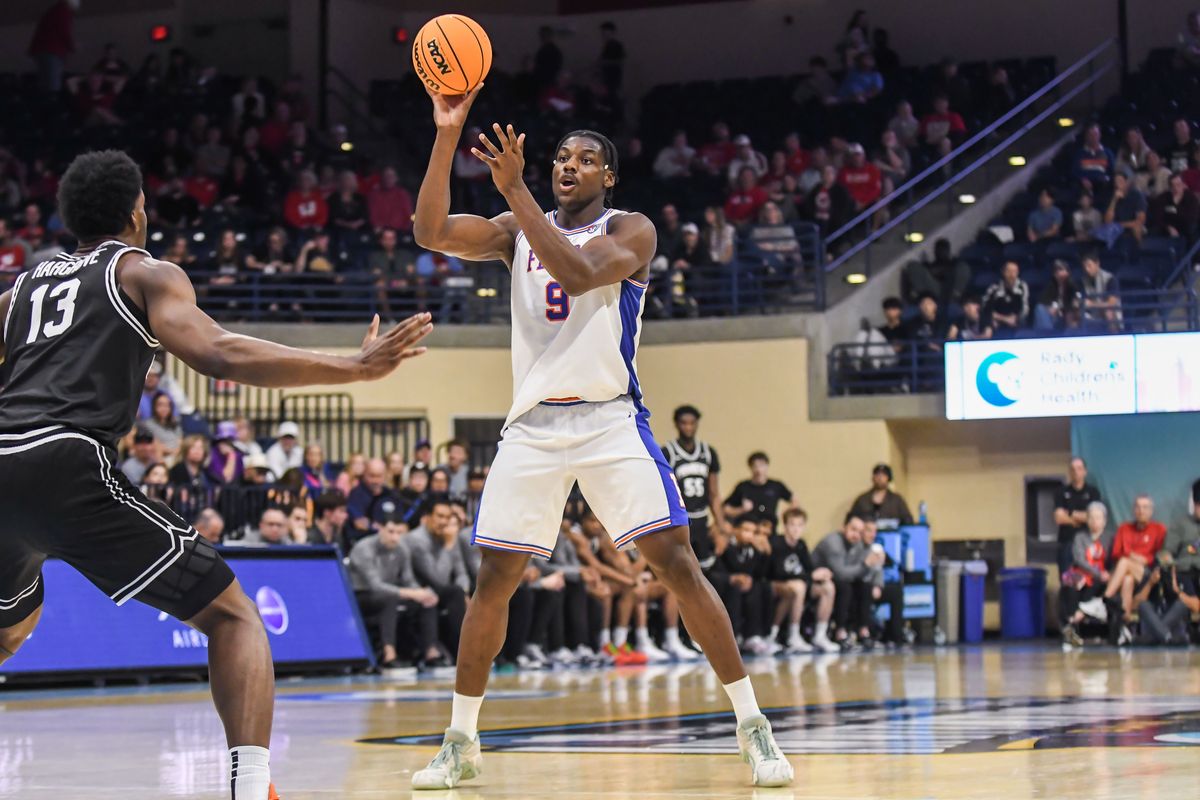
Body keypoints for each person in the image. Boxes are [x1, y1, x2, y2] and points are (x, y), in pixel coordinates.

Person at [0, 149, 431, 800]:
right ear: (138, 213)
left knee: (8, 630)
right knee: (234, 619)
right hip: (68, 458)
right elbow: (218, 352)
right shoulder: (143, 272)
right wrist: (352, 367)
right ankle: (251, 790)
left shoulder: (21, 290)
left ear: (68, 219)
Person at [410, 86, 791, 788]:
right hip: (532, 425)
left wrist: (518, 191)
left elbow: (579, 272)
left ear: (608, 177)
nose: (569, 166)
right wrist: (446, 132)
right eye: (561, 157)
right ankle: (460, 740)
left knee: (677, 563)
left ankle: (752, 725)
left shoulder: (633, 229)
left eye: (586, 160)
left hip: (609, 418)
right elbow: (429, 230)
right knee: (492, 580)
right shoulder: (514, 228)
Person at [348, 515, 443, 668]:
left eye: (399, 533)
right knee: (389, 599)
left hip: (390, 593)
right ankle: (389, 655)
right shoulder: (363, 548)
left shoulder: (402, 548)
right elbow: (375, 585)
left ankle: (431, 653)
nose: (395, 537)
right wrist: (413, 593)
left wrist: (421, 592)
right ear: (380, 529)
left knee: (427, 599)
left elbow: (408, 579)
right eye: (391, 532)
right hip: (361, 596)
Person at [662, 405, 731, 589]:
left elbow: (714, 494)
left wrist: (722, 527)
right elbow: (665, 491)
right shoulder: (669, 452)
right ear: (677, 424)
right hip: (681, 519)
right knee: (682, 573)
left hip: (702, 518)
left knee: (706, 574)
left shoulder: (708, 453)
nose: (688, 427)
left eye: (692, 423)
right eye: (684, 423)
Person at [1081, 495, 1167, 620]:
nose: (1141, 510)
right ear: (1133, 510)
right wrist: (1133, 556)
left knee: (1125, 562)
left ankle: (1103, 600)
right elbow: (1116, 553)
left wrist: (1145, 559)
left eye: (1145, 507)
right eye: (1138, 507)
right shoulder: (1124, 528)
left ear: (1151, 511)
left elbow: (1161, 556)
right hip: (1126, 573)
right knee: (1127, 578)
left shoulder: (1159, 529)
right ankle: (1125, 623)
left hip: (1148, 575)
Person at [406, 496, 470, 661]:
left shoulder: (445, 535)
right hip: (417, 590)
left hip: (441, 591)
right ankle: (462, 653)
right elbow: (437, 577)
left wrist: (465, 591)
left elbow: (461, 572)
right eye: (439, 516)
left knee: (464, 592)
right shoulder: (416, 540)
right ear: (427, 517)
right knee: (454, 593)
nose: (444, 522)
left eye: (447, 517)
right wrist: (449, 546)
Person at [769, 508, 838, 653]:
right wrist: (810, 576)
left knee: (828, 587)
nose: (796, 529)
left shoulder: (801, 545)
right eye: (792, 525)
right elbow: (780, 573)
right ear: (785, 526)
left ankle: (820, 635)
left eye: (800, 525)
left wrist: (821, 573)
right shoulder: (777, 543)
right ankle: (792, 635)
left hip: (799, 583)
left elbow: (808, 570)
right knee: (799, 586)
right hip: (776, 583)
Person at [813, 512, 884, 648]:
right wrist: (866, 564)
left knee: (864, 586)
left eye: (860, 531)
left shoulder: (857, 544)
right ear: (843, 527)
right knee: (845, 587)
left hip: (839, 579)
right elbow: (841, 573)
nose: (856, 534)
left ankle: (863, 632)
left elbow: (861, 572)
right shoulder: (833, 542)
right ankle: (839, 632)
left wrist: (876, 576)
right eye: (853, 529)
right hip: (816, 581)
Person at [1059, 501, 1113, 646]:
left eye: (1098, 517)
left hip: (1102, 578)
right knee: (1069, 588)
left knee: (1102, 584)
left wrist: (1104, 574)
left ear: (1104, 520)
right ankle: (1071, 629)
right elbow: (1079, 559)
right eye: (1091, 517)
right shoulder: (1080, 537)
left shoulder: (1110, 538)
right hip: (1082, 574)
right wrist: (1095, 573)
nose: (1094, 521)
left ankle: (1079, 614)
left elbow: (1114, 559)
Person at [29, 0, 77, 93]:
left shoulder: (55, 10)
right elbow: (64, 32)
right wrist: (72, 47)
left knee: (45, 84)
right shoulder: (63, 10)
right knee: (53, 85)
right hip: (50, 51)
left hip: (43, 50)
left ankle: (47, 104)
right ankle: (52, 105)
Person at [347, 457, 403, 536]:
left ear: (385, 475)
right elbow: (359, 523)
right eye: (372, 476)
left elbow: (402, 525)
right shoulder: (356, 494)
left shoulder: (391, 495)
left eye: (379, 476)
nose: (376, 481)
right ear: (364, 474)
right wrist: (383, 530)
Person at [849, 464, 913, 529]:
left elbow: (908, 521)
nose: (880, 478)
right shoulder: (862, 499)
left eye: (883, 475)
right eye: (877, 475)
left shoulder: (897, 500)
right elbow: (850, 520)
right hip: (865, 537)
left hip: (891, 536)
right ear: (873, 478)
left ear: (888, 478)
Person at [982, 260, 1030, 337]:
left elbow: (1025, 308)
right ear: (1003, 272)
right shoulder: (994, 287)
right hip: (997, 323)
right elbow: (986, 308)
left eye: (1014, 271)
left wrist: (1017, 318)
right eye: (1009, 271)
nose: (1012, 275)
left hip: (1016, 322)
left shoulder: (1022, 286)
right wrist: (1004, 319)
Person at [1034, 260, 1082, 332]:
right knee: (1039, 308)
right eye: (1058, 271)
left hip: (1066, 314)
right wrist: (1050, 307)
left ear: (1067, 273)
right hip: (1055, 315)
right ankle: (1046, 334)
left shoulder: (1072, 285)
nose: (1061, 273)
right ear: (1055, 274)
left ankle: (1048, 333)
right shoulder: (1051, 285)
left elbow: (1075, 301)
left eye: (1063, 270)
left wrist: (1060, 309)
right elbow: (1043, 299)